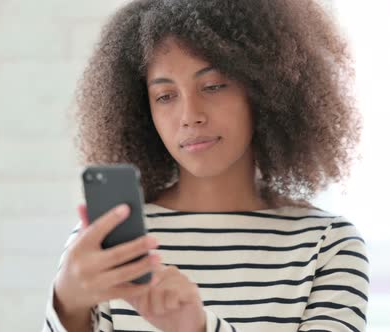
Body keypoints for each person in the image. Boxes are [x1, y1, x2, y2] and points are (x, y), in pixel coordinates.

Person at [43, 0, 368, 331]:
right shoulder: (106, 248)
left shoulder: (327, 245)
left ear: (265, 90)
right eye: (165, 96)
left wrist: (197, 327)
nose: (189, 116)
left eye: (213, 86)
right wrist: (67, 305)